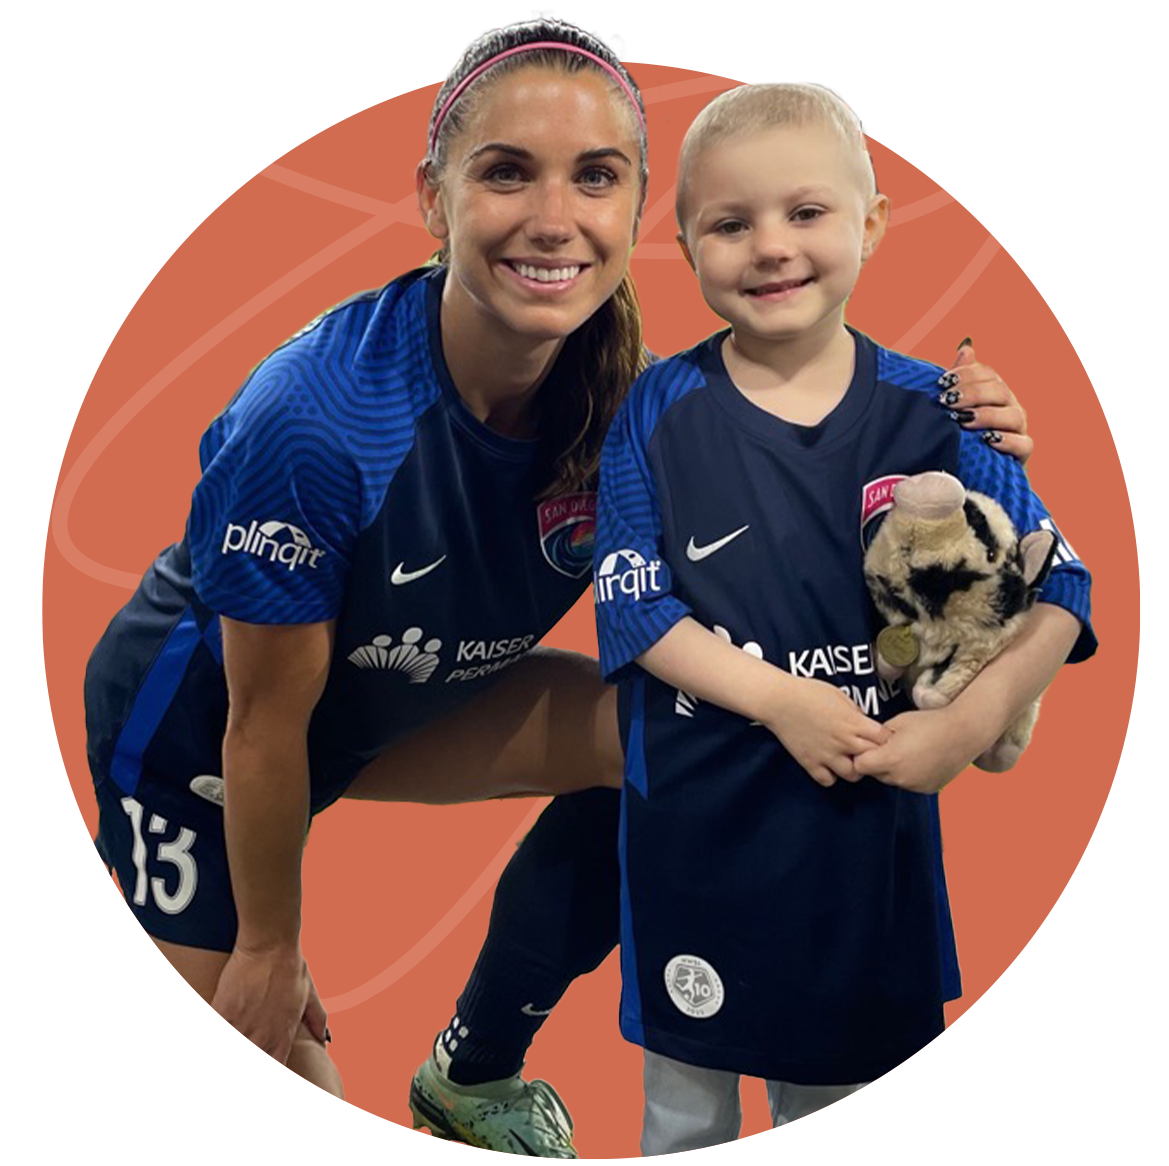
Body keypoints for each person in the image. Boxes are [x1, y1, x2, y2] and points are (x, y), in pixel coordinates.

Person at [80, 18, 1035, 1160]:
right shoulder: (318, 421)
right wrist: (269, 945)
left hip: (380, 704)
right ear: (434, 199)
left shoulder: (627, 404)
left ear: (637, 213)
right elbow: (261, 716)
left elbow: (803, 505)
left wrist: (963, 448)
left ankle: (470, 1073)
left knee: (666, 732)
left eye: (594, 177)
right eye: (503, 172)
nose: (551, 218)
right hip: (203, 739)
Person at [582, 80, 1095, 1155]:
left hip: (867, 851)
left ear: (869, 223)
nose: (768, 245)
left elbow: (1064, 586)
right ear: (684, 245)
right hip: (696, 843)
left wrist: (969, 722)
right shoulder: (656, 410)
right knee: (685, 1119)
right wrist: (780, 702)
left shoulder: (941, 406)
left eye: (804, 212)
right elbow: (633, 614)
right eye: (729, 223)